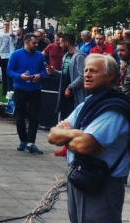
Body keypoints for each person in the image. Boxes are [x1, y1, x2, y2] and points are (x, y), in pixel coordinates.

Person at [47, 54, 130, 223]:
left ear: (110, 76)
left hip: (102, 184)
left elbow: (84, 146)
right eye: (85, 70)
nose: (87, 74)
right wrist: (77, 133)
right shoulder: (89, 102)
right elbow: (53, 135)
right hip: (79, 176)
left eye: (93, 71)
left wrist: (70, 135)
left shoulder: (113, 109)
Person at [7, 33, 48, 155]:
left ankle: (31, 142)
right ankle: (23, 140)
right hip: (20, 88)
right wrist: (20, 76)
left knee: (35, 116)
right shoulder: (15, 54)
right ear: (26, 42)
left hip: (35, 89)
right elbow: (9, 70)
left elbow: (43, 71)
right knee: (20, 116)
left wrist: (39, 75)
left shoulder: (40, 56)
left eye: (37, 43)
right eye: (34, 43)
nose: (36, 45)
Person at [0, 21, 15, 95]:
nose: (6, 26)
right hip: (1, 56)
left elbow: (12, 34)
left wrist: (11, 25)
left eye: (7, 24)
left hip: (9, 56)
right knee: (2, 74)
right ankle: (4, 90)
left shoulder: (12, 33)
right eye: (5, 24)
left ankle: (10, 90)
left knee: (9, 73)